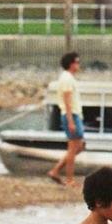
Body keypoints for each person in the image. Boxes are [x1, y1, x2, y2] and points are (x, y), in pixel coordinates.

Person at [47, 52, 85, 187]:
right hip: (71, 115)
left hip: (75, 115)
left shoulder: (69, 78)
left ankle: (55, 170)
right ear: (71, 64)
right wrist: (70, 121)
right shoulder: (67, 79)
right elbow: (67, 101)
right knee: (73, 148)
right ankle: (69, 179)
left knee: (79, 147)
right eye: (77, 62)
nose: (79, 65)